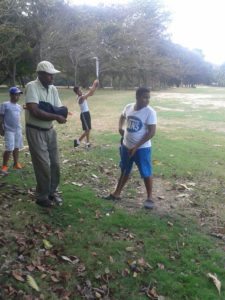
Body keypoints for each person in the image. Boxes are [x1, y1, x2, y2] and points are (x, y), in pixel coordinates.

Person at [104, 87, 157, 209]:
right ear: (137, 97)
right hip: (126, 146)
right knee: (124, 169)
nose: (147, 100)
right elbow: (122, 116)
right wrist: (119, 128)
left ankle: (149, 198)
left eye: (148, 98)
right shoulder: (128, 107)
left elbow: (151, 132)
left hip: (142, 149)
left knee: (146, 172)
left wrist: (136, 146)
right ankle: (116, 193)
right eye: (144, 97)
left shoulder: (150, 112)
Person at [25, 61, 67, 208]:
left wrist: (48, 109)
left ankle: (52, 191)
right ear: (40, 74)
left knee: (55, 163)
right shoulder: (32, 86)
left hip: (49, 130)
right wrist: (54, 115)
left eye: (52, 75)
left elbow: (61, 109)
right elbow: (35, 111)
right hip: (35, 130)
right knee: (43, 165)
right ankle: (42, 196)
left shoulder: (53, 89)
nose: (52, 78)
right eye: (49, 75)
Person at [0, 87, 23, 174]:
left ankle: (16, 163)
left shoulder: (18, 106)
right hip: (9, 130)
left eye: (18, 95)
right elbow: (1, 117)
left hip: (18, 129)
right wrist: (1, 128)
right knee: (9, 148)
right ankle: (4, 166)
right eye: (15, 95)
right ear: (10, 95)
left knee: (16, 147)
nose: (17, 97)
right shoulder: (5, 105)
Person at [73, 79, 99, 148]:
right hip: (84, 115)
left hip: (87, 113)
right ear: (76, 92)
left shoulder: (83, 96)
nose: (80, 91)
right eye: (79, 90)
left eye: (80, 89)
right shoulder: (80, 98)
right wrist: (94, 84)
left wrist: (95, 87)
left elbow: (91, 93)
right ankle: (78, 141)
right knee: (87, 130)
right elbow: (89, 93)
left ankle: (87, 143)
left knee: (88, 129)